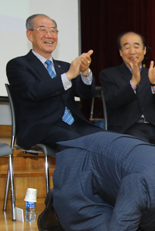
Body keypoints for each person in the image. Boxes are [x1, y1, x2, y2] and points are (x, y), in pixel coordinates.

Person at [6, 14, 101, 150]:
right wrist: (68, 76)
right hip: (41, 128)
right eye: (43, 30)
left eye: (53, 30)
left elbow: (86, 94)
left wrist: (85, 73)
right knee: (77, 143)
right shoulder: (18, 65)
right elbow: (34, 92)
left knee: (110, 140)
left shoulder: (65, 66)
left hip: (75, 124)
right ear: (30, 35)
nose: (49, 35)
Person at [100, 31, 155, 156]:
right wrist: (133, 84)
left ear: (144, 50)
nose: (132, 51)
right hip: (129, 128)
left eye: (136, 47)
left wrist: (154, 83)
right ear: (120, 52)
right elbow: (113, 102)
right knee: (144, 149)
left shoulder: (154, 75)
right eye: (127, 47)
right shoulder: (109, 75)